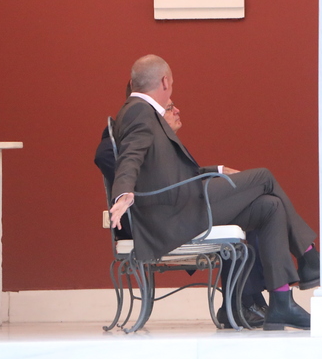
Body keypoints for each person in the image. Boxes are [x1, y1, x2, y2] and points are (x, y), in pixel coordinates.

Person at [108, 55, 317, 330]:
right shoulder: (139, 111)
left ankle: (282, 302)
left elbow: (163, 170)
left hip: (182, 206)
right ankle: (309, 256)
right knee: (264, 177)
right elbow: (130, 156)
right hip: (175, 215)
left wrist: (214, 169)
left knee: (270, 207)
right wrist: (123, 192)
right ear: (165, 82)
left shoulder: (141, 111)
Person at [94, 90, 268, 328]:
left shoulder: (162, 145)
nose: (176, 110)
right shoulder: (123, 137)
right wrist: (131, 190)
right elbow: (113, 160)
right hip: (157, 223)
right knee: (246, 205)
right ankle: (244, 305)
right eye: (168, 107)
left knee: (252, 208)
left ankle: (246, 303)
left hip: (177, 212)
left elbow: (183, 180)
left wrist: (216, 170)